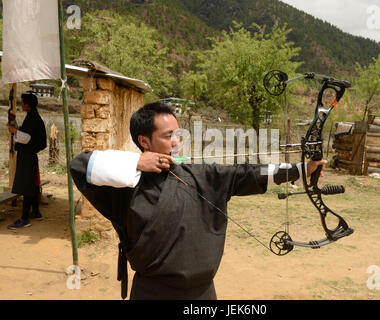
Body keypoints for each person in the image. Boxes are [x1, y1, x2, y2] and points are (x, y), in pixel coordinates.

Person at [70, 102, 326, 300]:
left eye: (178, 135)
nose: (177, 142)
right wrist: (137, 162)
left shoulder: (201, 175)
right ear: (144, 141)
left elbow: (246, 174)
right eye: (168, 135)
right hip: (152, 293)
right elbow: (79, 166)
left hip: (202, 294)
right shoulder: (126, 185)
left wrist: (302, 169)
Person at [7, 93, 47, 230]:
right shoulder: (33, 117)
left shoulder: (33, 118)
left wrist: (14, 131)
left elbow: (28, 138)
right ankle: (35, 212)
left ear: (28, 105)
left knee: (26, 186)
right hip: (30, 156)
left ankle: (25, 219)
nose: (21, 105)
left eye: (23, 103)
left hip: (27, 156)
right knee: (33, 184)